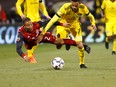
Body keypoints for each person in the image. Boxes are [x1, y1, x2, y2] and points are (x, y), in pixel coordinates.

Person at [40, 0, 96, 68]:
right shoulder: (65, 7)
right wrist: (43, 32)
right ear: (70, 2)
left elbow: (91, 16)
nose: (74, 7)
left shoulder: (83, 8)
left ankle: (82, 63)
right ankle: (68, 39)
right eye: (73, 5)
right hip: (63, 24)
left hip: (75, 25)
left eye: (76, 6)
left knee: (80, 45)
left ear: (79, 3)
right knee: (58, 45)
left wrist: (93, 23)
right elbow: (52, 20)